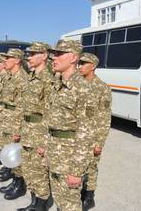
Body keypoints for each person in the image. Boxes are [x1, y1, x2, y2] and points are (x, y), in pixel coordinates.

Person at [44, 39, 92, 211]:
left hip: (70, 159)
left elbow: (86, 132)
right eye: (53, 54)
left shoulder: (83, 88)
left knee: (70, 205)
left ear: (73, 58)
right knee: (59, 200)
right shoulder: (57, 85)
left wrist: (76, 170)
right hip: (55, 154)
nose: (53, 58)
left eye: (59, 54)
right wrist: (46, 149)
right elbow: (51, 122)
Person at [17, 42, 52, 211]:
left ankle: (41, 205)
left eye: (32, 54)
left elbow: (50, 113)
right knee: (29, 168)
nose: (28, 57)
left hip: (39, 132)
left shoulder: (48, 80)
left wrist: (44, 141)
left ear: (44, 55)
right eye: (28, 54)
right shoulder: (31, 77)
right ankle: (33, 202)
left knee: (39, 171)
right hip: (27, 130)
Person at [77, 53, 112, 210]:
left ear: (93, 66)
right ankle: (75, 194)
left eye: (84, 63)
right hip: (75, 135)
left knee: (91, 167)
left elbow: (104, 119)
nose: (80, 66)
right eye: (79, 63)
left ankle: (89, 197)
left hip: (91, 137)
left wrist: (99, 143)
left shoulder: (102, 88)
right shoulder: (75, 84)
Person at [0, 48, 28, 200]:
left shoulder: (22, 79)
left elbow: (22, 108)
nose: (5, 61)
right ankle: (15, 180)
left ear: (17, 60)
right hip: (7, 117)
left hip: (15, 121)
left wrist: (17, 129)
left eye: (8, 58)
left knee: (16, 153)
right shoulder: (11, 77)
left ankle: (20, 185)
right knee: (8, 149)